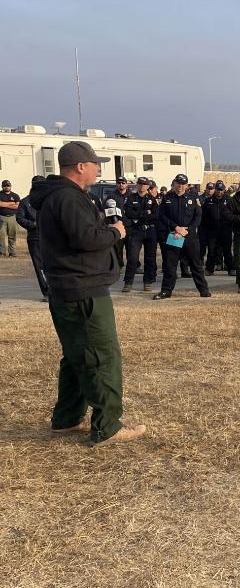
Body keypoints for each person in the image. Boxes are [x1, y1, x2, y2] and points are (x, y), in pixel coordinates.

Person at [28, 141, 145, 444]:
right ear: (81, 166)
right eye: (95, 164)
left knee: (76, 355)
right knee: (101, 356)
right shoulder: (69, 198)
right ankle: (108, 426)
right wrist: (115, 232)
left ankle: (66, 419)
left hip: (68, 287)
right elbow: (86, 238)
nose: (99, 169)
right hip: (83, 289)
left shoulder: (58, 197)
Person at [153, 174, 210, 299]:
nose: (180, 186)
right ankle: (166, 291)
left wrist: (188, 229)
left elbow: (198, 216)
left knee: (196, 264)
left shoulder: (193, 198)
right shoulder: (167, 198)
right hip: (174, 235)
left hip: (189, 237)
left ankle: (204, 290)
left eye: (183, 184)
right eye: (178, 183)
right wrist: (176, 228)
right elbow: (162, 216)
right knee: (170, 265)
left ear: (187, 185)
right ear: (174, 183)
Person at [121, 176, 159, 293]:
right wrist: (145, 213)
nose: (142, 186)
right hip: (136, 231)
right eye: (140, 184)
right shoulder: (130, 198)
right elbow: (128, 213)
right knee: (132, 258)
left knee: (150, 258)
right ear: (137, 185)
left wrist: (139, 214)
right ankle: (128, 282)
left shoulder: (152, 200)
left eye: (145, 184)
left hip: (150, 231)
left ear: (148, 186)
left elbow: (155, 215)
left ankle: (147, 282)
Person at [15, 176, 49, 300]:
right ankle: (47, 293)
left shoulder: (49, 199)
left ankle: (58, 291)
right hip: (35, 238)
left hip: (50, 237)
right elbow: (19, 218)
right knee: (40, 266)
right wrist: (33, 225)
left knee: (54, 264)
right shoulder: (25, 202)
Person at [202, 181, 234, 275]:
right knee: (211, 251)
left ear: (224, 190)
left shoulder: (229, 200)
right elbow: (204, 217)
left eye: (221, 190)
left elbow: (233, 215)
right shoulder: (209, 201)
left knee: (227, 251)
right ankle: (209, 269)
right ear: (215, 190)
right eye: (217, 190)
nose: (219, 192)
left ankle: (231, 268)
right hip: (212, 231)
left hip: (226, 230)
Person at [104, 177, 129, 267]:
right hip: (117, 226)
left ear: (126, 184)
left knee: (131, 248)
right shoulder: (111, 196)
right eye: (119, 183)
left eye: (123, 183)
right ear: (116, 184)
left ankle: (134, 266)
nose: (121, 185)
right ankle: (119, 265)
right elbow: (106, 211)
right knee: (118, 248)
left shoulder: (131, 195)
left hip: (129, 226)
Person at [0, 179, 20, 256]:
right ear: (2, 186)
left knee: (12, 235)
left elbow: (17, 206)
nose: (6, 187)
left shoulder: (15, 195)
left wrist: (4, 204)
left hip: (12, 218)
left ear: (10, 186)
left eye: (8, 185)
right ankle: (2, 252)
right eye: (5, 186)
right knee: (1, 236)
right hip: (1, 217)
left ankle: (12, 252)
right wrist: (11, 203)